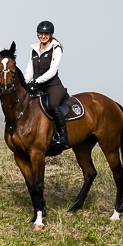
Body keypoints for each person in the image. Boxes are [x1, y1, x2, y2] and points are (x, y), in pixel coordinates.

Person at [30, 21, 70, 151]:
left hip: (53, 85)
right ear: (38, 34)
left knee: (53, 105)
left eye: (46, 34)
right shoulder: (34, 49)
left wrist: (36, 81)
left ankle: (63, 137)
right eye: (41, 33)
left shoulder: (56, 48)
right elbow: (29, 70)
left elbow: (52, 71)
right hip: (38, 86)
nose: (43, 36)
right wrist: (25, 83)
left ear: (50, 35)